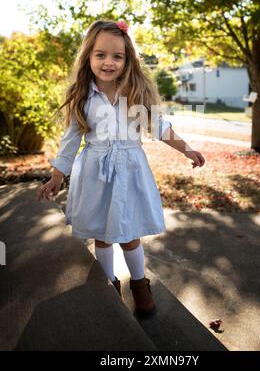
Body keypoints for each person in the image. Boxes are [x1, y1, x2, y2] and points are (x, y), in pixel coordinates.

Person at [35, 19, 205, 317]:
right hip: (95, 172)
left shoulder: (135, 91)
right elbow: (71, 139)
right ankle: (109, 284)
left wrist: (186, 148)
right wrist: (57, 175)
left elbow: (159, 126)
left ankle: (139, 284)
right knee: (101, 232)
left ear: (128, 60)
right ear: (88, 56)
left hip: (129, 169)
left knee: (128, 233)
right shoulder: (83, 95)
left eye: (117, 56)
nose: (109, 62)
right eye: (101, 54)